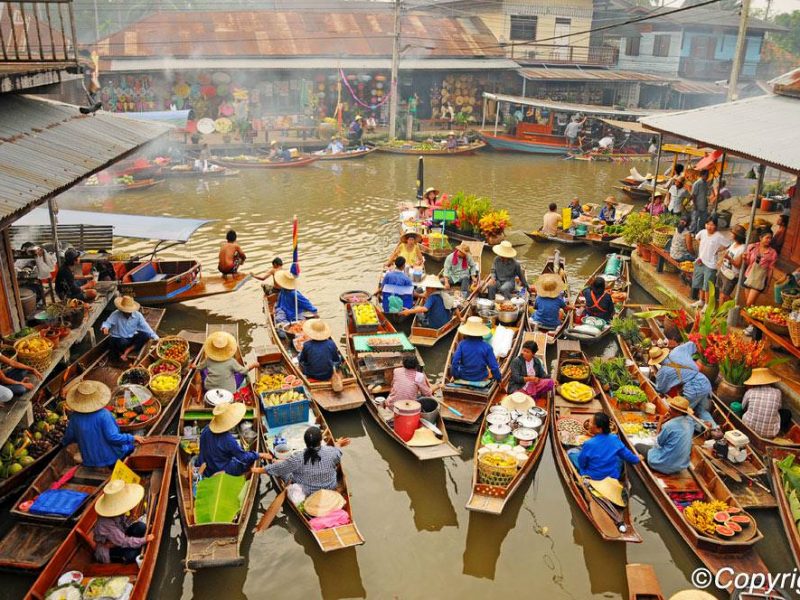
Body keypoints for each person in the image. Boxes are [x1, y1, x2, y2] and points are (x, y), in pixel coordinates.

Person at [61, 381, 141, 468]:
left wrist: (63, 443)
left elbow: (68, 437)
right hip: (112, 458)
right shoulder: (104, 415)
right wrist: (132, 438)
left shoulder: (75, 417)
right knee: (131, 445)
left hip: (89, 460)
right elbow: (113, 437)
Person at [257, 426, 350, 498]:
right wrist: (338, 444)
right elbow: (338, 453)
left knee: (279, 466)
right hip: (330, 487)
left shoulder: (298, 458)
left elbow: (277, 469)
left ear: (305, 442)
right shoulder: (332, 451)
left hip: (308, 492)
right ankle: (280, 462)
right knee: (284, 465)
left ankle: (277, 461)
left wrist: (256, 470)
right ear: (320, 441)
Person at [197, 402, 270, 476]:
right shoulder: (228, 440)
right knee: (246, 463)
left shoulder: (206, 429)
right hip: (221, 468)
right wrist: (259, 454)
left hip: (207, 465)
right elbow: (244, 457)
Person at [653, 341, 715, 426]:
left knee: (681, 414)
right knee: (702, 411)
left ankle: (702, 427)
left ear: (657, 361)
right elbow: (693, 344)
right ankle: (715, 429)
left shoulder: (663, 372)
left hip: (693, 388)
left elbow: (661, 389)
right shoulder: (677, 351)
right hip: (704, 381)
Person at [93, 480, 153, 564]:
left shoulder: (117, 512)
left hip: (118, 538)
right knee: (132, 554)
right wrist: (144, 540)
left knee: (141, 527)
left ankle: (138, 543)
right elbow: (123, 541)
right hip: (110, 548)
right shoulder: (106, 523)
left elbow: (125, 525)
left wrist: (132, 515)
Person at [568, 412, 640, 480]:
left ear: (599, 429)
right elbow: (631, 458)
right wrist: (638, 458)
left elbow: (582, 463)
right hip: (613, 475)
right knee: (618, 455)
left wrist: (583, 471)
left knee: (571, 452)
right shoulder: (614, 438)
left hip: (593, 476)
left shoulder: (589, 443)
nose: (588, 424)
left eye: (591, 423)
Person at [635, 396, 695, 474]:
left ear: (677, 412)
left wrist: (660, 422)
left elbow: (658, 443)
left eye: (671, 409)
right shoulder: (690, 422)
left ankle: (641, 471)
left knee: (637, 446)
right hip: (681, 465)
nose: (668, 410)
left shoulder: (670, 425)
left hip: (664, 464)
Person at [100, 295, 159, 362]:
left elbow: (146, 328)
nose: (127, 313)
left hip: (130, 338)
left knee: (145, 335)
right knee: (119, 341)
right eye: (125, 311)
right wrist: (105, 328)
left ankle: (128, 350)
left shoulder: (138, 315)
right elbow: (107, 323)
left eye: (129, 312)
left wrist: (156, 338)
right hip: (119, 339)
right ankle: (122, 353)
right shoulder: (115, 314)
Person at [691, 217, 730, 309]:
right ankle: (701, 300)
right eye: (708, 224)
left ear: (715, 226)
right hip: (700, 260)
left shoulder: (718, 236)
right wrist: (703, 245)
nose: (709, 227)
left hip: (711, 264)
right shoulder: (702, 232)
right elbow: (697, 238)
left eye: (712, 225)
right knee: (700, 282)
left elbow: (728, 245)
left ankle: (707, 304)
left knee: (707, 285)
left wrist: (718, 250)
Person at [741, 368, 791, 438]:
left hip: (749, 428)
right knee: (787, 413)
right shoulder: (777, 392)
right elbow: (779, 407)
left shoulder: (750, 392)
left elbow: (743, 407)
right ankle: (781, 434)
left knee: (744, 410)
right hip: (770, 433)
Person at [450, 316, 502, 383]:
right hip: (481, 377)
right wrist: (499, 379)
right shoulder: (487, 347)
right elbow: (494, 367)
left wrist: (456, 376)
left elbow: (454, 362)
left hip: (463, 376)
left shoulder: (461, 345)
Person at [743, 229, 778, 308]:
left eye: (770, 238)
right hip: (748, 276)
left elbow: (770, 270)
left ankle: (749, 318)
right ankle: (750, 319)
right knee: (749, 304)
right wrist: (745, 258)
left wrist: (767, 285)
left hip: (759, 279)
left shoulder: (773, 253)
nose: (769, 240)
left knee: (749, 303)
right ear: (760, 238)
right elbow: (748, 263)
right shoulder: (752, 247)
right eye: (767, 238)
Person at [716, 224, 747, 304]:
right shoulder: (733, 244)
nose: (730, 234)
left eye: (732, 233)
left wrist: (729, 258)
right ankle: (729, 307)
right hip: (723, 271)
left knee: (723, 295)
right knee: (722, 294)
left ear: (737, 235)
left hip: (731, 276)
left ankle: (721, 313)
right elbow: (727, 252)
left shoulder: (742, 248)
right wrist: (721, 260)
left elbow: (738, 265)